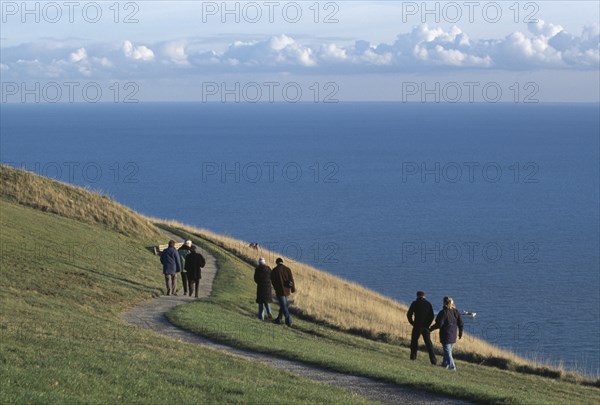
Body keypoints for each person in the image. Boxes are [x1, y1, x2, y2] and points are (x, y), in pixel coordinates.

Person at [430, 296, 464, 371]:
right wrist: (460, 332)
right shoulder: (455, 311)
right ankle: (445, 365)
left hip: (446, 335)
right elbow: (461, 323)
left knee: (448, 352)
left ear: (444, 303)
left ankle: (452, 367)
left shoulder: (443, 312)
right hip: (453, 335)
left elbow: (439, 324)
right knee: (448, 351)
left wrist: (430, 329)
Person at [407, 291, 437, 365]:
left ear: (417, 296)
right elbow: (432, 316)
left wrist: (412, 323)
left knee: (414, 342)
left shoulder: (415, 303)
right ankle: (433, 360)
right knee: (429, 343)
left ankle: (413, 357)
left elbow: (409, 314)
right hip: (426, 327)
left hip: (417, 325)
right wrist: (428, 324)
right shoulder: (428, 304)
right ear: (424, 296)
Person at [270, 257, 295, 326]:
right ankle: (279, 319)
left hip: (279, 290)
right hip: (287, 290)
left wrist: (275, 288)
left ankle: (288, 320)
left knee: (283, 305)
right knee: (283, 305)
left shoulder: (274, 270)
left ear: (277, 263)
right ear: (282, 262)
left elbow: (272, 281)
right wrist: (293, 289)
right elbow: (291, 279)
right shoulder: (287, 269)